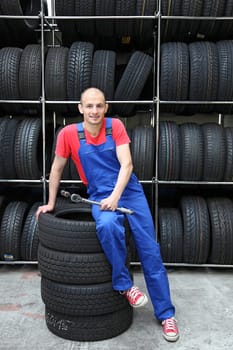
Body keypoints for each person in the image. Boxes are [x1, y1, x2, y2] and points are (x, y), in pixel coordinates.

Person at [36, 87, 179, 342]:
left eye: (99, 106)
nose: (94, 111)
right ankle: (125, 286)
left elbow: (127, 165)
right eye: (89, 106)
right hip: (100, 194)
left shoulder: (116, 127)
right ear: (80, 108)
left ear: (106, 107)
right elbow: (56, 170)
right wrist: (50, 203)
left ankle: (166, 314)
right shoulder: (68, 134)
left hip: (129, 192)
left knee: (150, 251)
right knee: (107, 227)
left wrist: (116, 196)